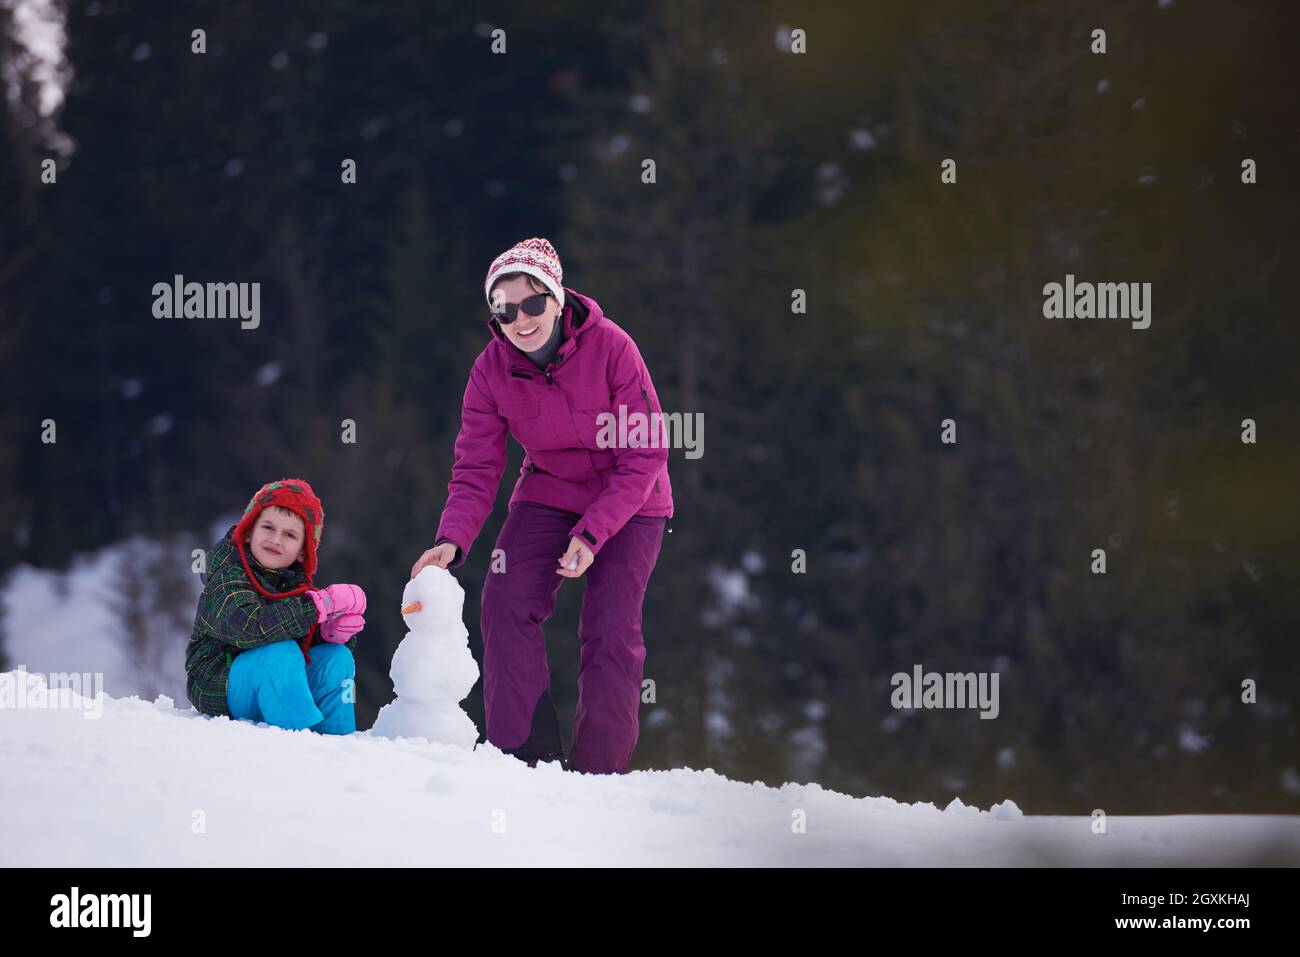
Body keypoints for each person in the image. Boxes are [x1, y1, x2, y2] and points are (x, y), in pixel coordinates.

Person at [411, 237, 674, 773]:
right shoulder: (490, 371)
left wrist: (593, 533)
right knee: (504, 600)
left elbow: (646, 450)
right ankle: (525, 756)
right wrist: (451, 539)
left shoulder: (612, 347)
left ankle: (600, 770)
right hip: (549, 492)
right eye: (504, 309)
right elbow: (477, 467)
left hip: (631, 499)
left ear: (558, 299)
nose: (521, 319)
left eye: (532, 303)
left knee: (610, 627)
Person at [185, 477, 366, 734]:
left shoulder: (295, 585)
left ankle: (338, 742)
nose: (276, 540)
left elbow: (299, 632)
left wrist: (329, 634)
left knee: (337, 658)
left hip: (273, 680)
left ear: (303, 552)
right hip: (219, 681)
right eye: (268, 527)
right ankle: (302, 746)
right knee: (280, 653)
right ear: (248, 531)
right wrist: (314, 607)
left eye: (290, 534)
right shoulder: (227, 575)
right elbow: (252, 627)